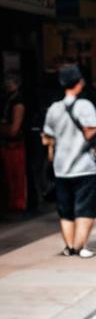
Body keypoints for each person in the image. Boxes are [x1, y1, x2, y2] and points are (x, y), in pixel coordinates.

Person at [41, 64, 96, 257]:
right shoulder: (85, 106)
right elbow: (92, 130)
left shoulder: (54, 109)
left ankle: (69, 247)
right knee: (86, 208)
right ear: (79, 83)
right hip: (84, 166)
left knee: (65, 209)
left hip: (61, 168)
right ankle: (81, 247)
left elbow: (46, 137)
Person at [0, 73, 28, 215]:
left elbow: (14, 130)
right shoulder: (7, 100)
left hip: (14, 144)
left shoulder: (18, 102)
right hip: (7, 143)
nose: (6, 85)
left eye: (9, 82)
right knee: (9, 176)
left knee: (15, 175)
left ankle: (17, 204)